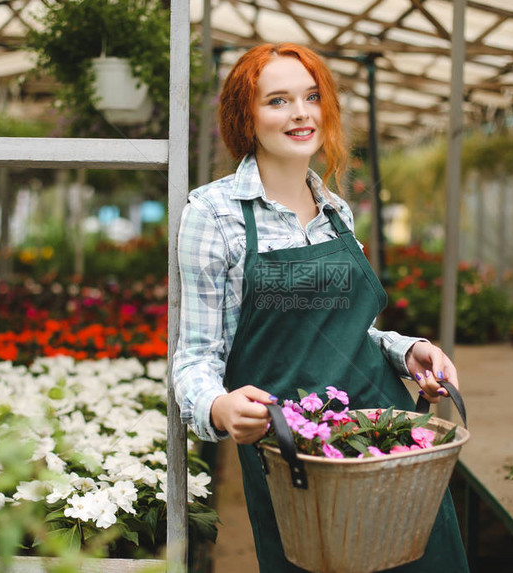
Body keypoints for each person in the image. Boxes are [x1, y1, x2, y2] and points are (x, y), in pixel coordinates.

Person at [174, 42, 469, 572]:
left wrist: (409, 351)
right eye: (279, 100)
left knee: (420, 557)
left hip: (385, 432)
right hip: (295, 454)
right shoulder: (213, 213)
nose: (301, 112)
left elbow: (353, 332)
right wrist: (218, 409)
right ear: (246, 116)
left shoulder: (337, 212)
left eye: (311, 97)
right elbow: (196, 357)